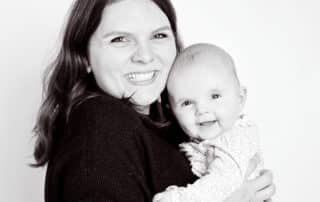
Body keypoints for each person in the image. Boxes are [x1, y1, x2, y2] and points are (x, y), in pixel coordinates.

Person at [32, 0, 275, 201]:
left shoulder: (173, 122)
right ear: (83, 55)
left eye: (159, 35)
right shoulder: (101, 123)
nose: (145, 56)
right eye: (120, 39)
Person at [153, 43, 274, 202]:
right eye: (187, 103)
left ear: (240, 98)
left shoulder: (237, 138)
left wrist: (178, 198)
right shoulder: (194, 139)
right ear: (172, 111)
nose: (202, 110)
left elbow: (222, 183)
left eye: (215, 96)